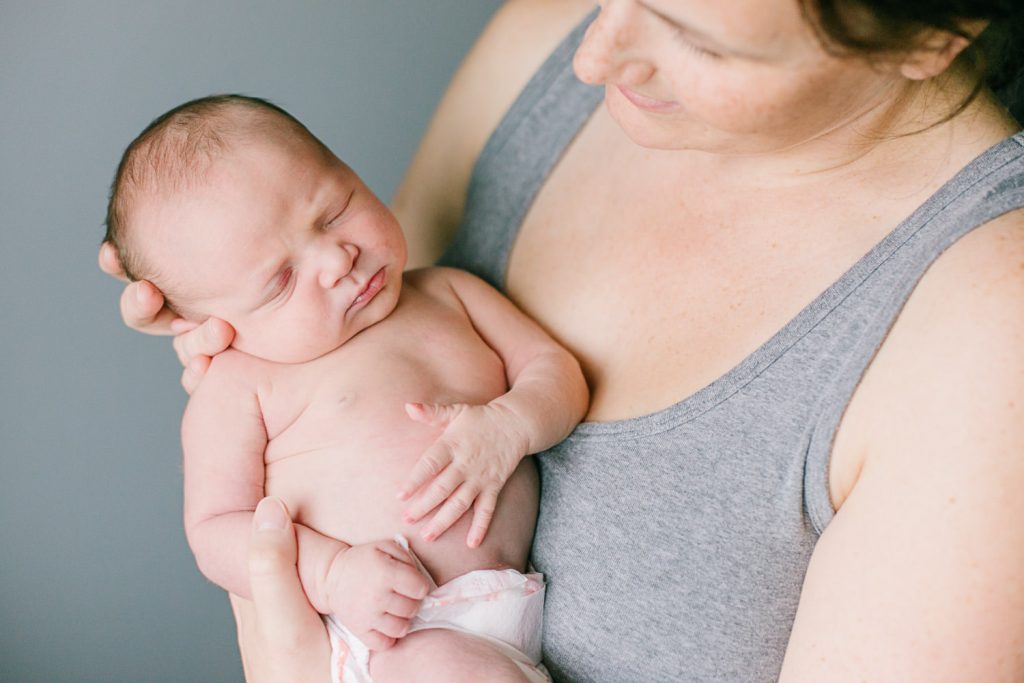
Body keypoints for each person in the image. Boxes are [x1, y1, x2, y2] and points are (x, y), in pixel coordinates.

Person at [99, 0, 1024, 680]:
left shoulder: (985, 329)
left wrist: (506, 424)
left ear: (936, 31)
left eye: (695, 36)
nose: (592, 53)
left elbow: (545, 375)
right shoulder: (535, 47)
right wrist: (235, 303)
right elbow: (259, 491)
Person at [102, 94, 589, 682]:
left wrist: (511, 426)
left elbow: (556, 371)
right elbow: (216, 529)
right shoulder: (239, 384)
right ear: (209, 323)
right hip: (387, 637)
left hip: (505, 613)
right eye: (281, 280)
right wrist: (331, 574)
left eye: (334, 211)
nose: (337, 258)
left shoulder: (449, 294)